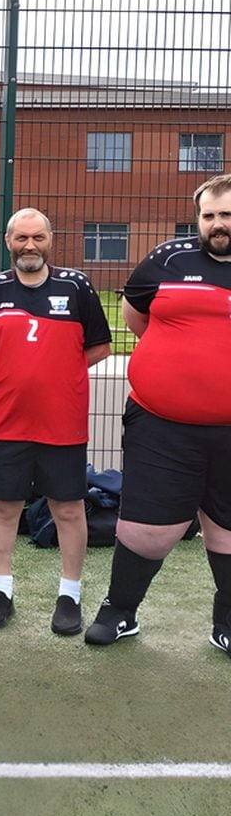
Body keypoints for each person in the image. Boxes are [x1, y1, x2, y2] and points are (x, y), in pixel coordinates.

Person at [85, 174, 231, 653]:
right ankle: (120, 610)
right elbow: (135, 315)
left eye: (226, 214)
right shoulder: (168, 258)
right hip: (161, 424)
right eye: (209, 215)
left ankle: (226, 620)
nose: (218, 224)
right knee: (146, 528)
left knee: (228, 529)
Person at [0, 208, 111, 634]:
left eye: (38, 238)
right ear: (7, 242)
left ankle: (70, 594)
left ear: (51, 240)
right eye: (21, 238)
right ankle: (1, 590)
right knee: (4, 506)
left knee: (67, 508)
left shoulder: (76, 286)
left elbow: (98, 346)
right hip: (3, 422)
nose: (30, 246)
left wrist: (57, 372)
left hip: (62, 424)